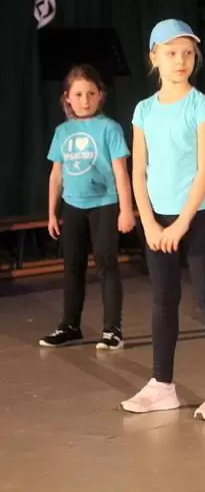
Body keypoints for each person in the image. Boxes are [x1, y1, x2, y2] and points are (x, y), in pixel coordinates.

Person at [120, 19, 205, 421]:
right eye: (171, 53)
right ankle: (161, 385)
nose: (180, 60)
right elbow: (138, 171)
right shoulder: (143, 110)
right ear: (154, 58)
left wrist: (181, 223)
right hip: (157, 221)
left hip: (197, 217)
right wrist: (150, 223)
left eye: (188, 53)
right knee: (163, 300)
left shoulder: (201, 106)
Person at [39, 64, 135, 350]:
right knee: (72, 267)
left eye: (91, 94)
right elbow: (56, 175)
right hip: (73, 206)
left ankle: (112, 330)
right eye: (79, 94)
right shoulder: (62, 132)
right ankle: (70, 326)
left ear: (100, 96)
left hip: (104, 204)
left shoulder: (109, 128)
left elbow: (121, 172)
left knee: (106, 264)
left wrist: (126, 210)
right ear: (68, 98)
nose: (85, 100)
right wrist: (51, 213)